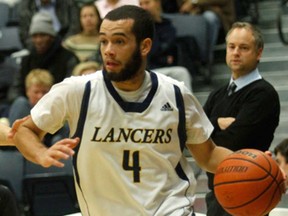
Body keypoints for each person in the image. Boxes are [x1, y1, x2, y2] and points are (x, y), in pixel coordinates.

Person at [13, 5, 236, 215]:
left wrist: (249, 162)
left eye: (119, 41)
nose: (108, 50)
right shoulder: (77, 91)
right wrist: (41, 154)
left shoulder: (176, 93)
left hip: (171, 209)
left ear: (145, 46)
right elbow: (25, 130)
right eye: (103, 41)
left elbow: (208, 155)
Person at [203, 22, 280, 216]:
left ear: (259, 53)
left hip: (249, 193)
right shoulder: (217, 94)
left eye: (244, 48)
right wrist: (217, 123)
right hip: (217, 193)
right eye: (231, 47)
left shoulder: (263, 94)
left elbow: (234, 142)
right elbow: (191, 136)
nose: (236, 52)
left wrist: (208, 129)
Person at [8, 11, 79, 102]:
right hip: (29, 108)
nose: (38, 40)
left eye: (42, 35)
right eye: (35, 36)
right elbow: (14, 91)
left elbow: (71, 90)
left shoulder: (68, 59)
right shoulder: (26, 60)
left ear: (51, 37)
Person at [139, 0, 193, 92]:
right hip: (143, 71)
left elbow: (167, 48)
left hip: (162, 69)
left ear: (157, 3)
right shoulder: (138, 28)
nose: (144, 7)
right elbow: (150, 53)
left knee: (182, 72)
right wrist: (164, 59)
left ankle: (188, 106)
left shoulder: (167, 26)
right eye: (141, 4)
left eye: (147, 3)